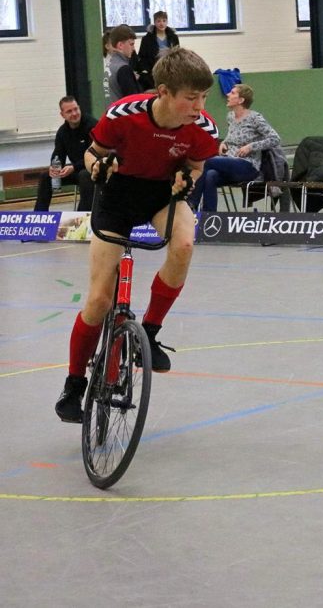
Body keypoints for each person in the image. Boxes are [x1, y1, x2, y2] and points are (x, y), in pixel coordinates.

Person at [55, 47, 220, 423]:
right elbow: (91, 154)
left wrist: (188, 179)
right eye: (190, 98)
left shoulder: (203, 127)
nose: (199, 106)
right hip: (117, 196)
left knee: (184, 243)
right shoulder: (123, 114)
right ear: (163, 92)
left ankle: (148, 331)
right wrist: (98, 168)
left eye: (204, 97)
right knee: (98, 300)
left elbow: (197, 165)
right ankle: (74, 384)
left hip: (162, 195)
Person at [189, 83, 280, 213]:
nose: (228, 95)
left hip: (248, 166)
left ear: (241, 100)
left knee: (206, 162)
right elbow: (232, 136)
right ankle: (208, 215)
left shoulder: (255, 118)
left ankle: (191, 203)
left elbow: (275, 138)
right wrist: (224, 142)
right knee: (210, 175)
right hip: (230, 162)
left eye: (232, 93)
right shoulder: (230, 116)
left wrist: (250, 147)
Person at [35, 97, 98, 212]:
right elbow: (58, 155)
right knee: (46, 177)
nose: (74, 113)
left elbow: (95, 155)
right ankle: (39, 217)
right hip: (75, 171)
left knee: (84, 175)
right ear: (62, 115)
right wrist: (54, 168)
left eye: (76, 109)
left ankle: (81, 218)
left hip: (94, 170)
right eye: (69, 111)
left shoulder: (92, 125)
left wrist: (74, 167)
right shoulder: (62, 132)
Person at [137, 10, 180, 90]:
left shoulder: (173, 37)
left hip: (169, 70)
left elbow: (177, 54)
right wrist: (144, 71)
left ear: (167, 22)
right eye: (158, 21)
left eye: (164, 21)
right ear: (154, 22)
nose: (161, 23)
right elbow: (142, 56)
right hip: (152, 71)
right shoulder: (147, 39)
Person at [103, 24, 142, 106]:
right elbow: (133, 102)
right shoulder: (123, 68)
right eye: (131, 44)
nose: (133, 48)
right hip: (123, 116)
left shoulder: (109, 65)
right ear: (120, 45)